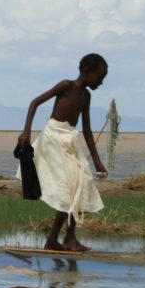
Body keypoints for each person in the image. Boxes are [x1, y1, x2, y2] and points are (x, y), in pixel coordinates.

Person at [16, 54, 108, 252]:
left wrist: (98, 162)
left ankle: (61, 240)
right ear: (87, 72)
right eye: (99, 77)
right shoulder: (66, 86)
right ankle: (66, 239)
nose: (101, 82)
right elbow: (35, 102)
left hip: (69, 139)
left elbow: (88, 130)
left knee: (80, 183)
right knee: (68, 187)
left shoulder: (86, 96)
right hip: (53, 138)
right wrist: (26, 131)